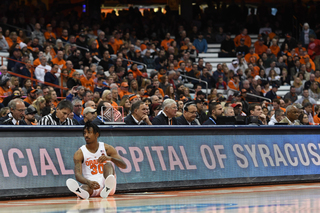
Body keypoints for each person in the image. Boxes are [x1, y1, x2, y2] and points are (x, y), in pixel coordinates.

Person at [66, 122, 127, 199]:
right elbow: (78, 175)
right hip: (93, 184)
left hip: (108, 185)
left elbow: (123, 165)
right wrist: (88, 182)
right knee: (85, 188)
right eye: (84, 133)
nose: (86, 135)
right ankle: (80, 192)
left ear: (96, 134)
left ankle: (107, 187)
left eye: (89, 132)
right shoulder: (79, 153)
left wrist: (110, 158)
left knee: (108, 165)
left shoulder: (107, 148)